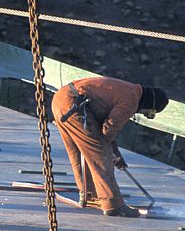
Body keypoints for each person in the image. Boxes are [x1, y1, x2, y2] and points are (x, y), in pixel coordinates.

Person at [51, 77, 169, 217]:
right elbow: (109, 129)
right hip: (74, 106)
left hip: (61, 100)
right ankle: (113, 205)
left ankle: (90, 195)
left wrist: (116, 153)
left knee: (77, 152)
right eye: (147, 113)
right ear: (150, 106)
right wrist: (110, 153)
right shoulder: (131, 100)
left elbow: (102, 126)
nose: (142, 114)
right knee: (101, 157)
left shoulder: (129, 89)